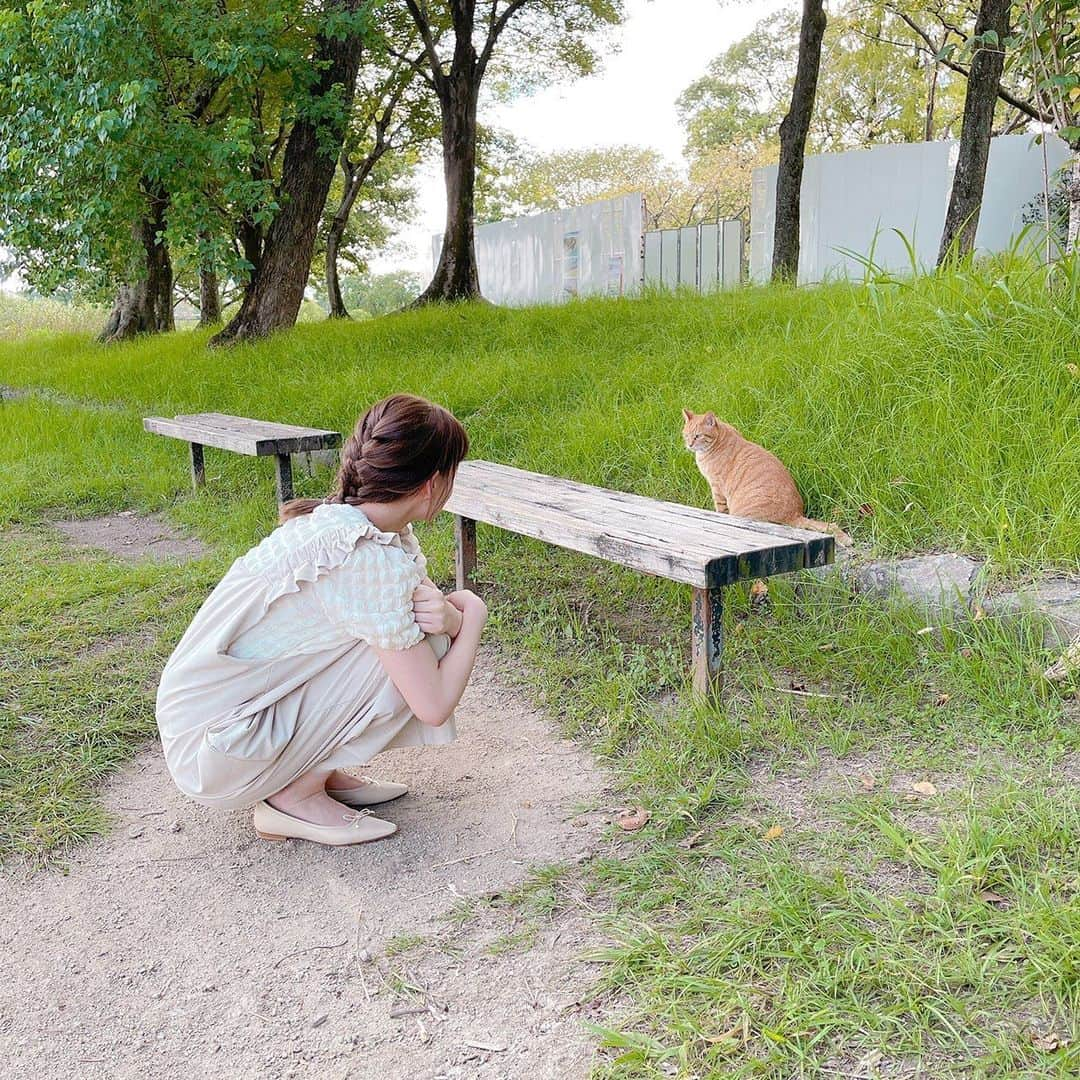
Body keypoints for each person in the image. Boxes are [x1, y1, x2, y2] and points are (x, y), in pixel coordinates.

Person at [154, 393, 487, 847]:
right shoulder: (366, 560)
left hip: (210, 729)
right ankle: (294, 795)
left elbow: (423, 607)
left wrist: (449, 617)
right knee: (421, 650)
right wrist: (473, 614)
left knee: (411, 634)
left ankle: (316, 773)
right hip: (216, 752)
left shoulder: (344, 524)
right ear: (431, 483)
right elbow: (433, 703)